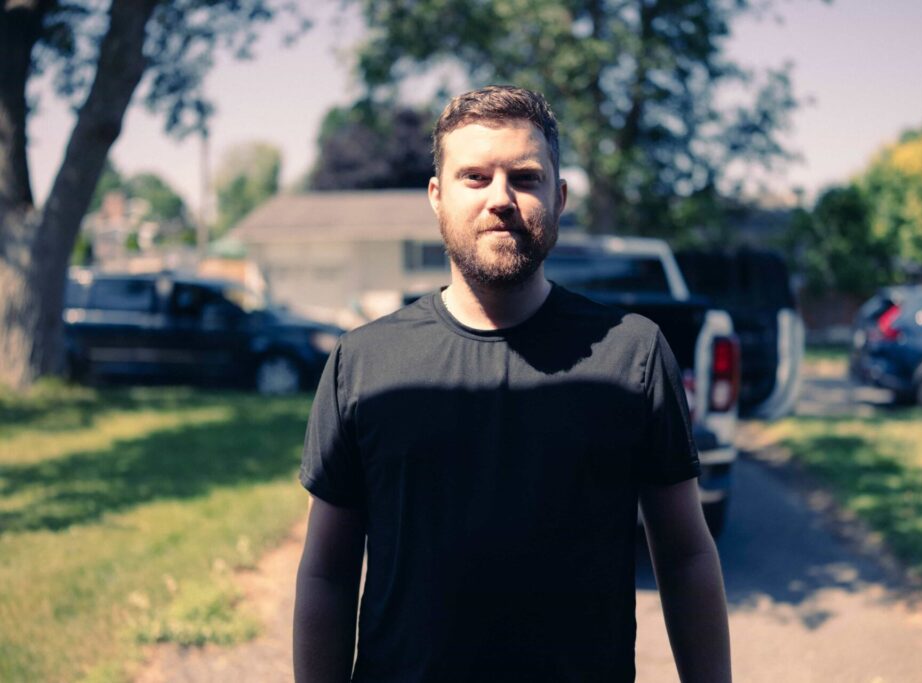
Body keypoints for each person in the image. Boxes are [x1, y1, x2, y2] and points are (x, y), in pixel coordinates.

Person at [293, 85, 731, 683]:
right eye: (475, 177)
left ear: (560, 196)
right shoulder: (363, 362)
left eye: (525, 177)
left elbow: (684, 557)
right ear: (437, 196)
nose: (501, 198)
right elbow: (327, 573)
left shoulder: (633, 352)